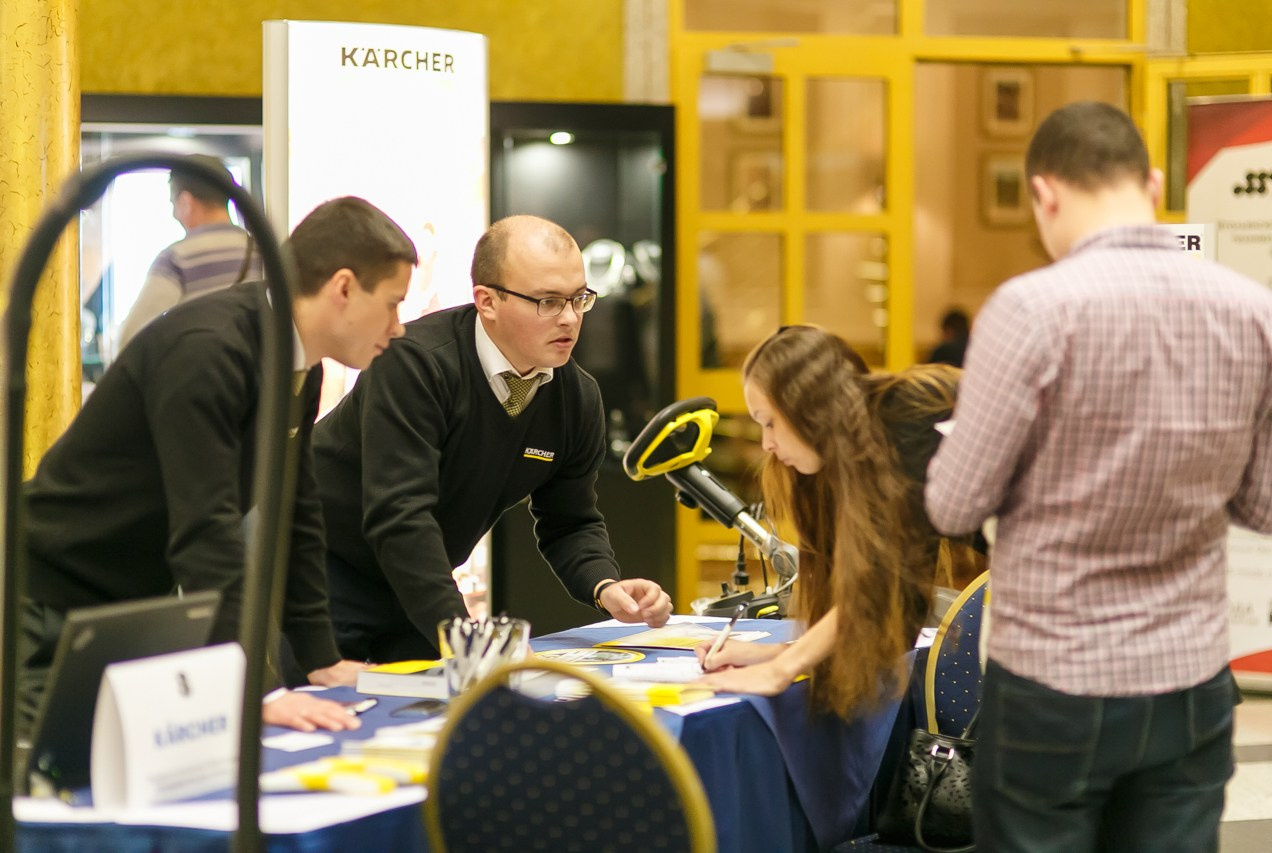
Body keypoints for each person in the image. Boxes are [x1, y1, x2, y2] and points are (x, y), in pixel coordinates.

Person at [925, 101, 1272, 853]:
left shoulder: (1029, 310)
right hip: (1190, 683)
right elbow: (1268, 504)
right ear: (1153, 184)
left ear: (1044, 194)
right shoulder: (1255, 312)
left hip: (1053, 682)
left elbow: (954, 502)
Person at [21, 196, 418, 733]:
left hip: (131, 603)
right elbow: (206, 531)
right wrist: (255, 684)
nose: (398, 327)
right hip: (44, 593)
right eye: (393, 303)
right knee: (39, 781)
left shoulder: (302, 365)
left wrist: (320, 657)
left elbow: (295, 512)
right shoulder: (208, 350)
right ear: (343, 287)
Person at [313, 214, 673, 663]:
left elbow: (570, 520)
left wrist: (606, 585)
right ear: (487, 301)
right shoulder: (415, 365)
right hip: (319, 571)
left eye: (580, 299)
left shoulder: (576, 397)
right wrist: (465, 638)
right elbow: (401, 516)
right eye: (548, 301)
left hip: (417, 585)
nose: (569, 319)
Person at [696, 325, 982, 718]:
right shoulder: (862, 450)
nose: (767, 445)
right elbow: (900, 610)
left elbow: (877, 586)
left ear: (808, 408)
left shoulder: (905, 420)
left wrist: (783, 669)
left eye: (769, 422)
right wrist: (778, 654)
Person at [118, 154, 262, 349]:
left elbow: (131, 337)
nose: (174, 214)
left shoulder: (177, 259)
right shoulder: (261, 252)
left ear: (186, 202)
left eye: (173, 204)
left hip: (205, 374)